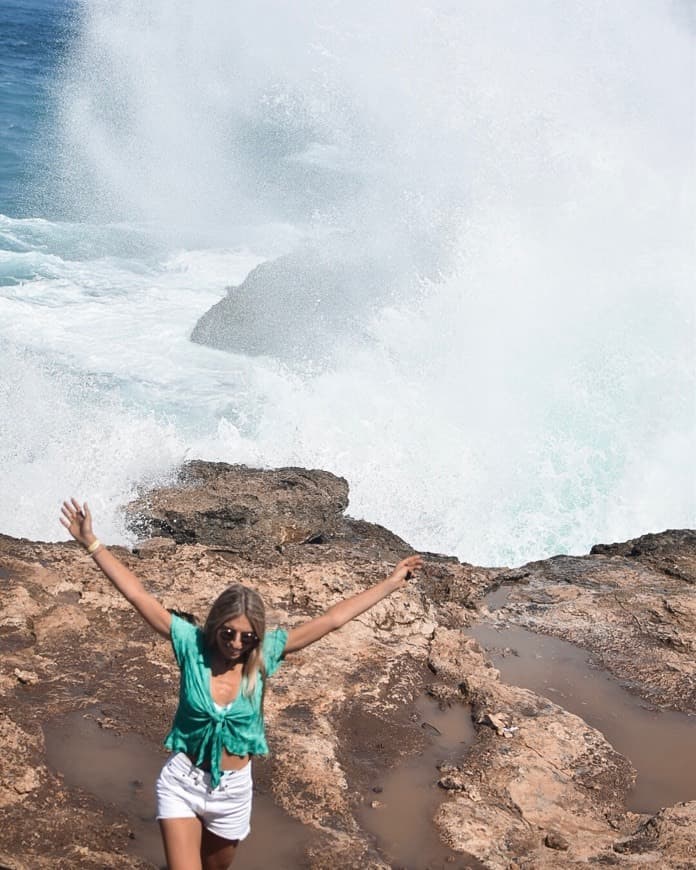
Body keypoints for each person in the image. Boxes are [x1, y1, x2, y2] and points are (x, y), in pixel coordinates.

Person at [60, 497, 423, 870]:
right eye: (228, 634)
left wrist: (391, 583)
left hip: (233, 792)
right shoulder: (190, 645)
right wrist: (91, 543)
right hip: (182, 783)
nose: (235, 644)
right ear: (216, 625)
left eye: (246, 638)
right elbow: (138, 595)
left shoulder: (265, 655)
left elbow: (332, 619)